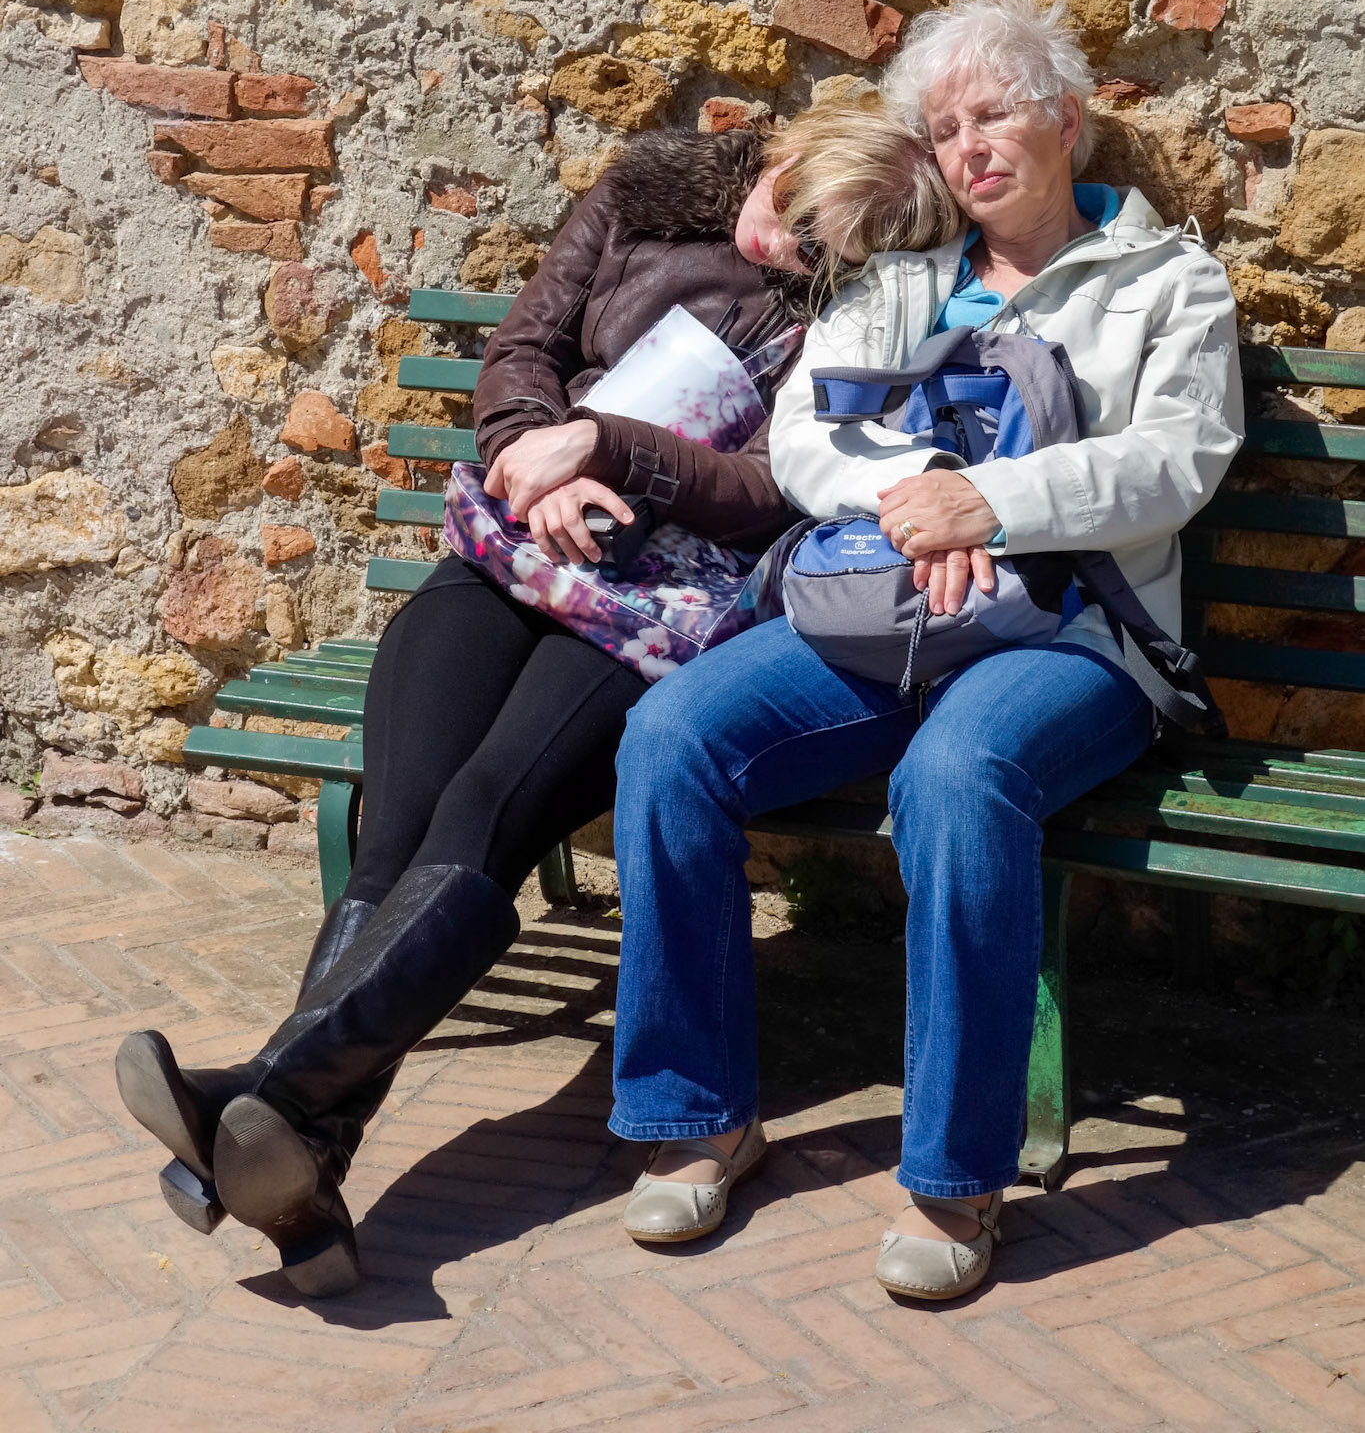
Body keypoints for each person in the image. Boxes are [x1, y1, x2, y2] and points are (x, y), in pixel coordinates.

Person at [115, 99, 958, 1298]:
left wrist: (606, 452)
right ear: (780, 158)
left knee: (480, 820)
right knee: (394, 827)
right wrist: (535, 449)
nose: (790, 255)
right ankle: (301, 1153)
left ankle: (267, 1099)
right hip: (507, 541)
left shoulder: (850, 309)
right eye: (793, 219)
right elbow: (523, 347)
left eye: (828, 253)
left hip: (653, 597)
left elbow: (771, 487)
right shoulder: (646, 192)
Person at [607, 0, 1243, 1302]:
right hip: (880, 610)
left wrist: (994, 504)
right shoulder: (901, 277)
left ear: (1067, 120)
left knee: (955, 777)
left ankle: (953, 1177)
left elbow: (1171, 462)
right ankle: (696, 1114)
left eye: (994, 112)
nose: (970, 147)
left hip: (1076, 636)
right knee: (671, 734)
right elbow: (804, 436)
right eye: (946, 128)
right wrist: (921, 500)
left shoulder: (1163, 281)